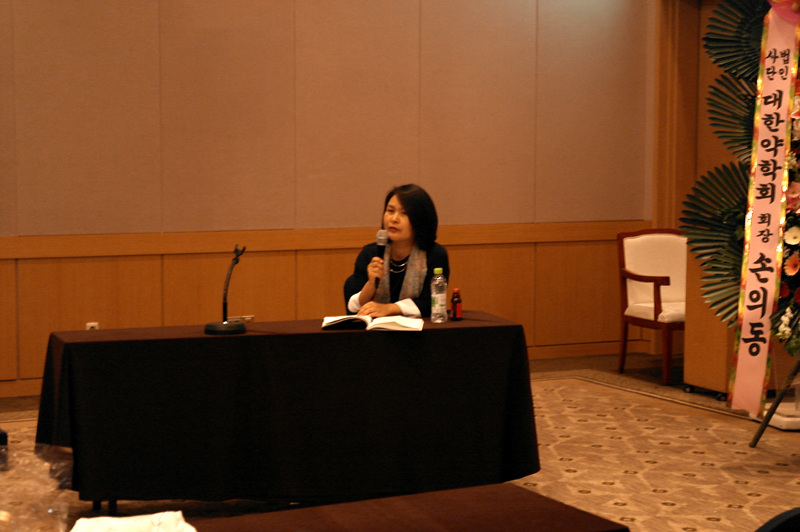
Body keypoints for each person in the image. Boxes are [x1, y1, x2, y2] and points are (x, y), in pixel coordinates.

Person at [344, 184, 450, 318]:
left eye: (404, 213)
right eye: (390, 211)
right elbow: (352, 307)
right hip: (375, 329)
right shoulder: (371, 253)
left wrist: (391, 308)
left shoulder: (434, 254)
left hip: (419, 330)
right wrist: (370, 285)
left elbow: (431, 303)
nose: (394, 219)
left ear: (420, 219)